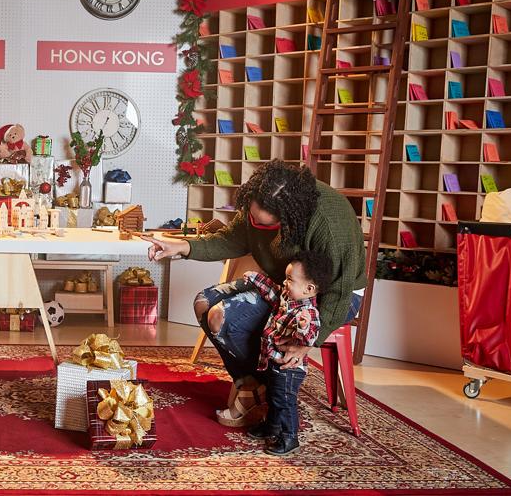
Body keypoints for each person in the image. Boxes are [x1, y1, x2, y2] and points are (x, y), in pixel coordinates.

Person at [141, 160, 365, 438]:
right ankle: (251, 387)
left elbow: (340, 290)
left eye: (262, 223)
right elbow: (231, 240)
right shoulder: (261, 199)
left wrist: (309, 340)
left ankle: (267, 396)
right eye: (251, 218)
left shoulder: (330, 222)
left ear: (288, 217)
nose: (254, 224)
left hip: (328, 297)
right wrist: (181, 246)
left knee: (224, 317)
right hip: (284, 285)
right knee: (204, 303)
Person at [249, 250, 331, 455]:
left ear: (309, 288)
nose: (285, 283)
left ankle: (289, 437)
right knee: (273, 396)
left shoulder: (308, 313)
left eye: (289, 280)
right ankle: (271, 427)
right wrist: (255, 278)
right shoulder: (288, 297)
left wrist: (303, 327)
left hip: (290, 367)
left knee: (285, 401)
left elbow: (309, 336)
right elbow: (273, 292)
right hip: (275, 361)